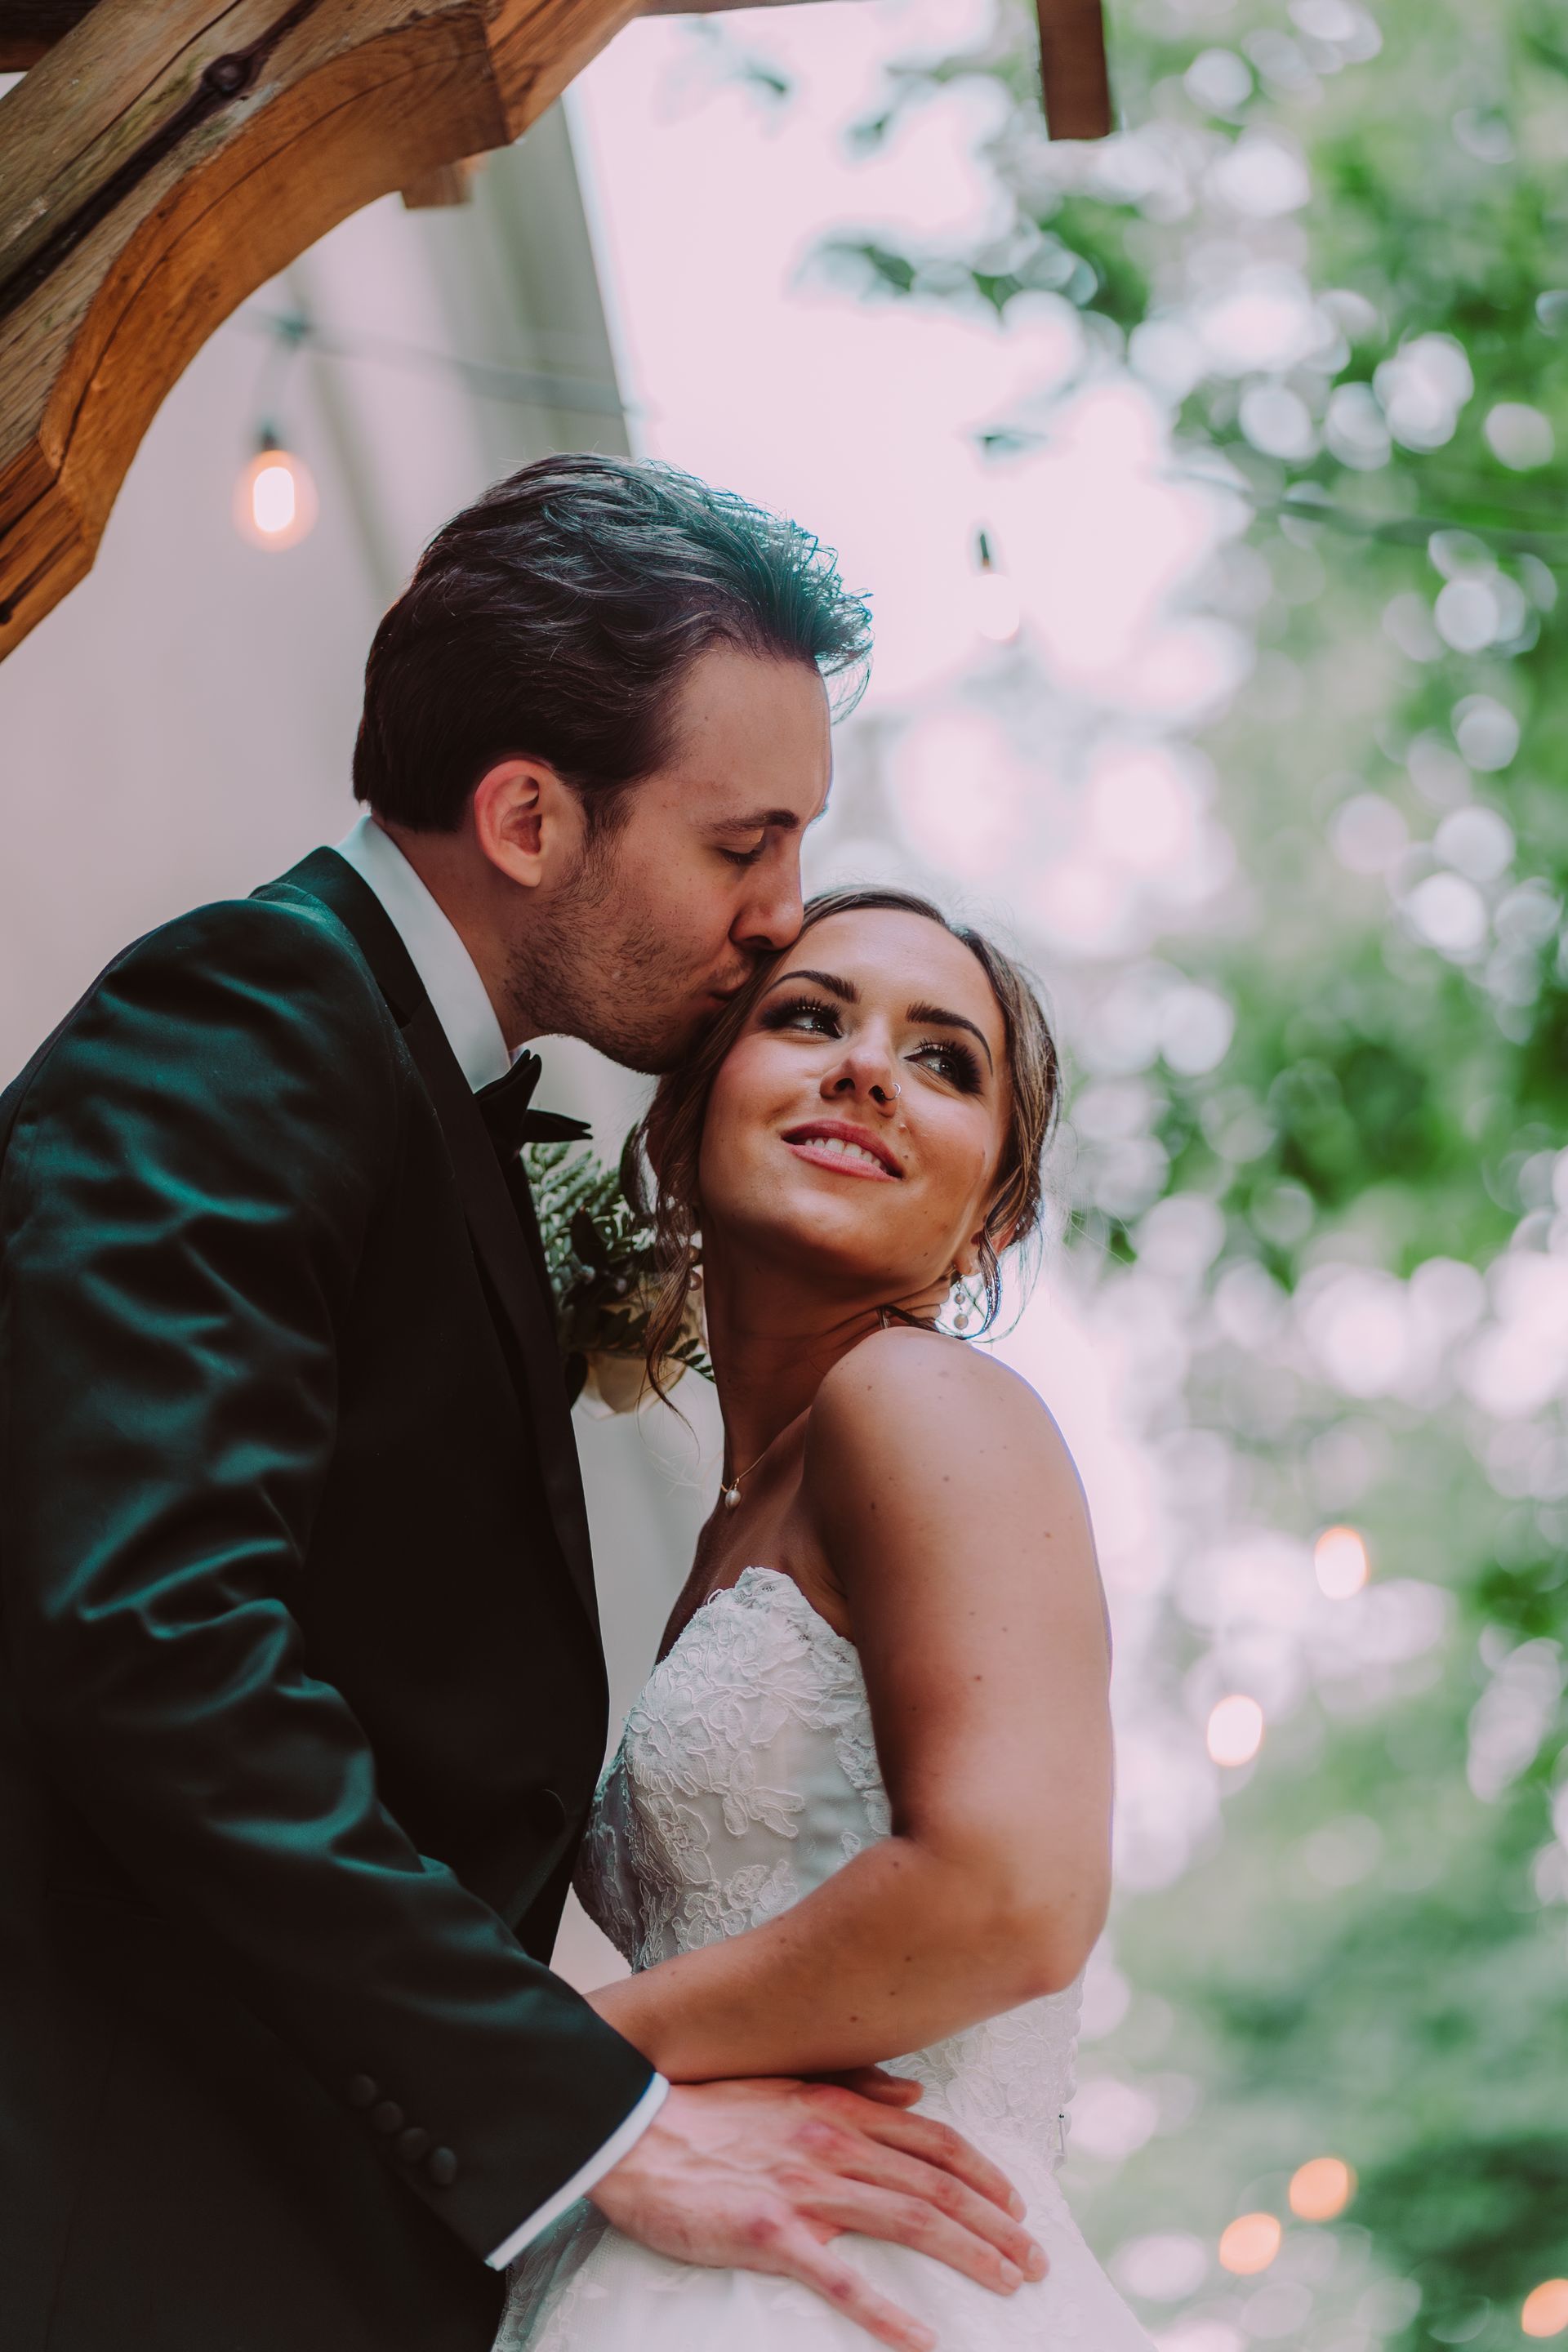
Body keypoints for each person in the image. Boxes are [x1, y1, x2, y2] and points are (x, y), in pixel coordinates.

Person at [0, 460, 1042, 2352]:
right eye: (746, 845)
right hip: (127, 2224)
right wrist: (576, 2107)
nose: (778, 919)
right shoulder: (253, 1019)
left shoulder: (417, 1098)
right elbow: (150, 1637)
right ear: (531, 815)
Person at [500, 887, 1156, 2352]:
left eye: (944, 1060)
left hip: (858, 2286)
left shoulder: (912, 1397)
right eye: (810, 1018)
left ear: (990, 1220)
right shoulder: (735, 1521)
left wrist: (550, 2070)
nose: (867, 1068)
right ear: (681, 1123)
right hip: (702, 2243)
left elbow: (1009, 1895)